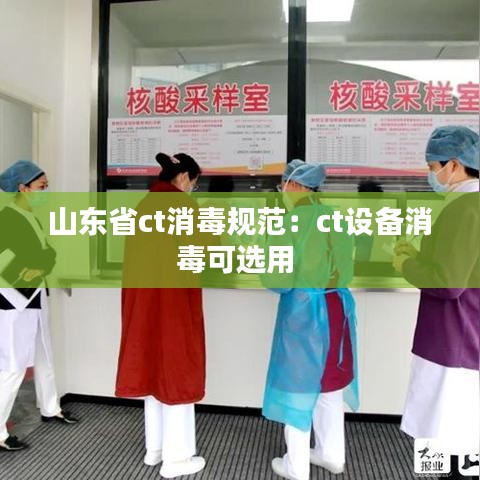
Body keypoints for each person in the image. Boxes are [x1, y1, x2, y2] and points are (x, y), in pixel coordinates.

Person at [263, 160, 359, 480]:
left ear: (296, 185)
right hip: (336, 307)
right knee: (330, 383)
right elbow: (346, 269)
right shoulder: (336, 218)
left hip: (303, 313)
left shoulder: (288, 223)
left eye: (284, 184)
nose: (282, 190)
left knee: (298, 386)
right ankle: (332, 455)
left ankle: (296, 466)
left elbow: (278, 279)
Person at [393, 126, 479, 479]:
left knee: (447, 433)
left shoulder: (464, 209)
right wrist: (418, 255)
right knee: (460, 433)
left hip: (452, 337)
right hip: (465, 332)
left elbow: (448, 283)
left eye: (433, 167)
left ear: (455, 165)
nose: (432, 175)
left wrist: (405, 264)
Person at [116, 152, 207, 479]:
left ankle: (154, 450)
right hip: (174, 306)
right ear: (183, 177)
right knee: (178, 372)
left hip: (144, 306)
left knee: (154, 373)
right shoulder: (183, 207)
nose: (193, 189)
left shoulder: (144, 205)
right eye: (194, 183)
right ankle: (177, 459)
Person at [0, 160, 79, 452]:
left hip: (35, 295)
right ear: (22, 188)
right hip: (12, 301)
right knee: (13, 367)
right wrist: (40, 261)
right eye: (41, 186)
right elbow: (34, 257)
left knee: (45, 355)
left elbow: (48, 254)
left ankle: (50, 407)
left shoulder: (31, 216)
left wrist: (41, 261)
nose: (46, 191)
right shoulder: (7, 218)